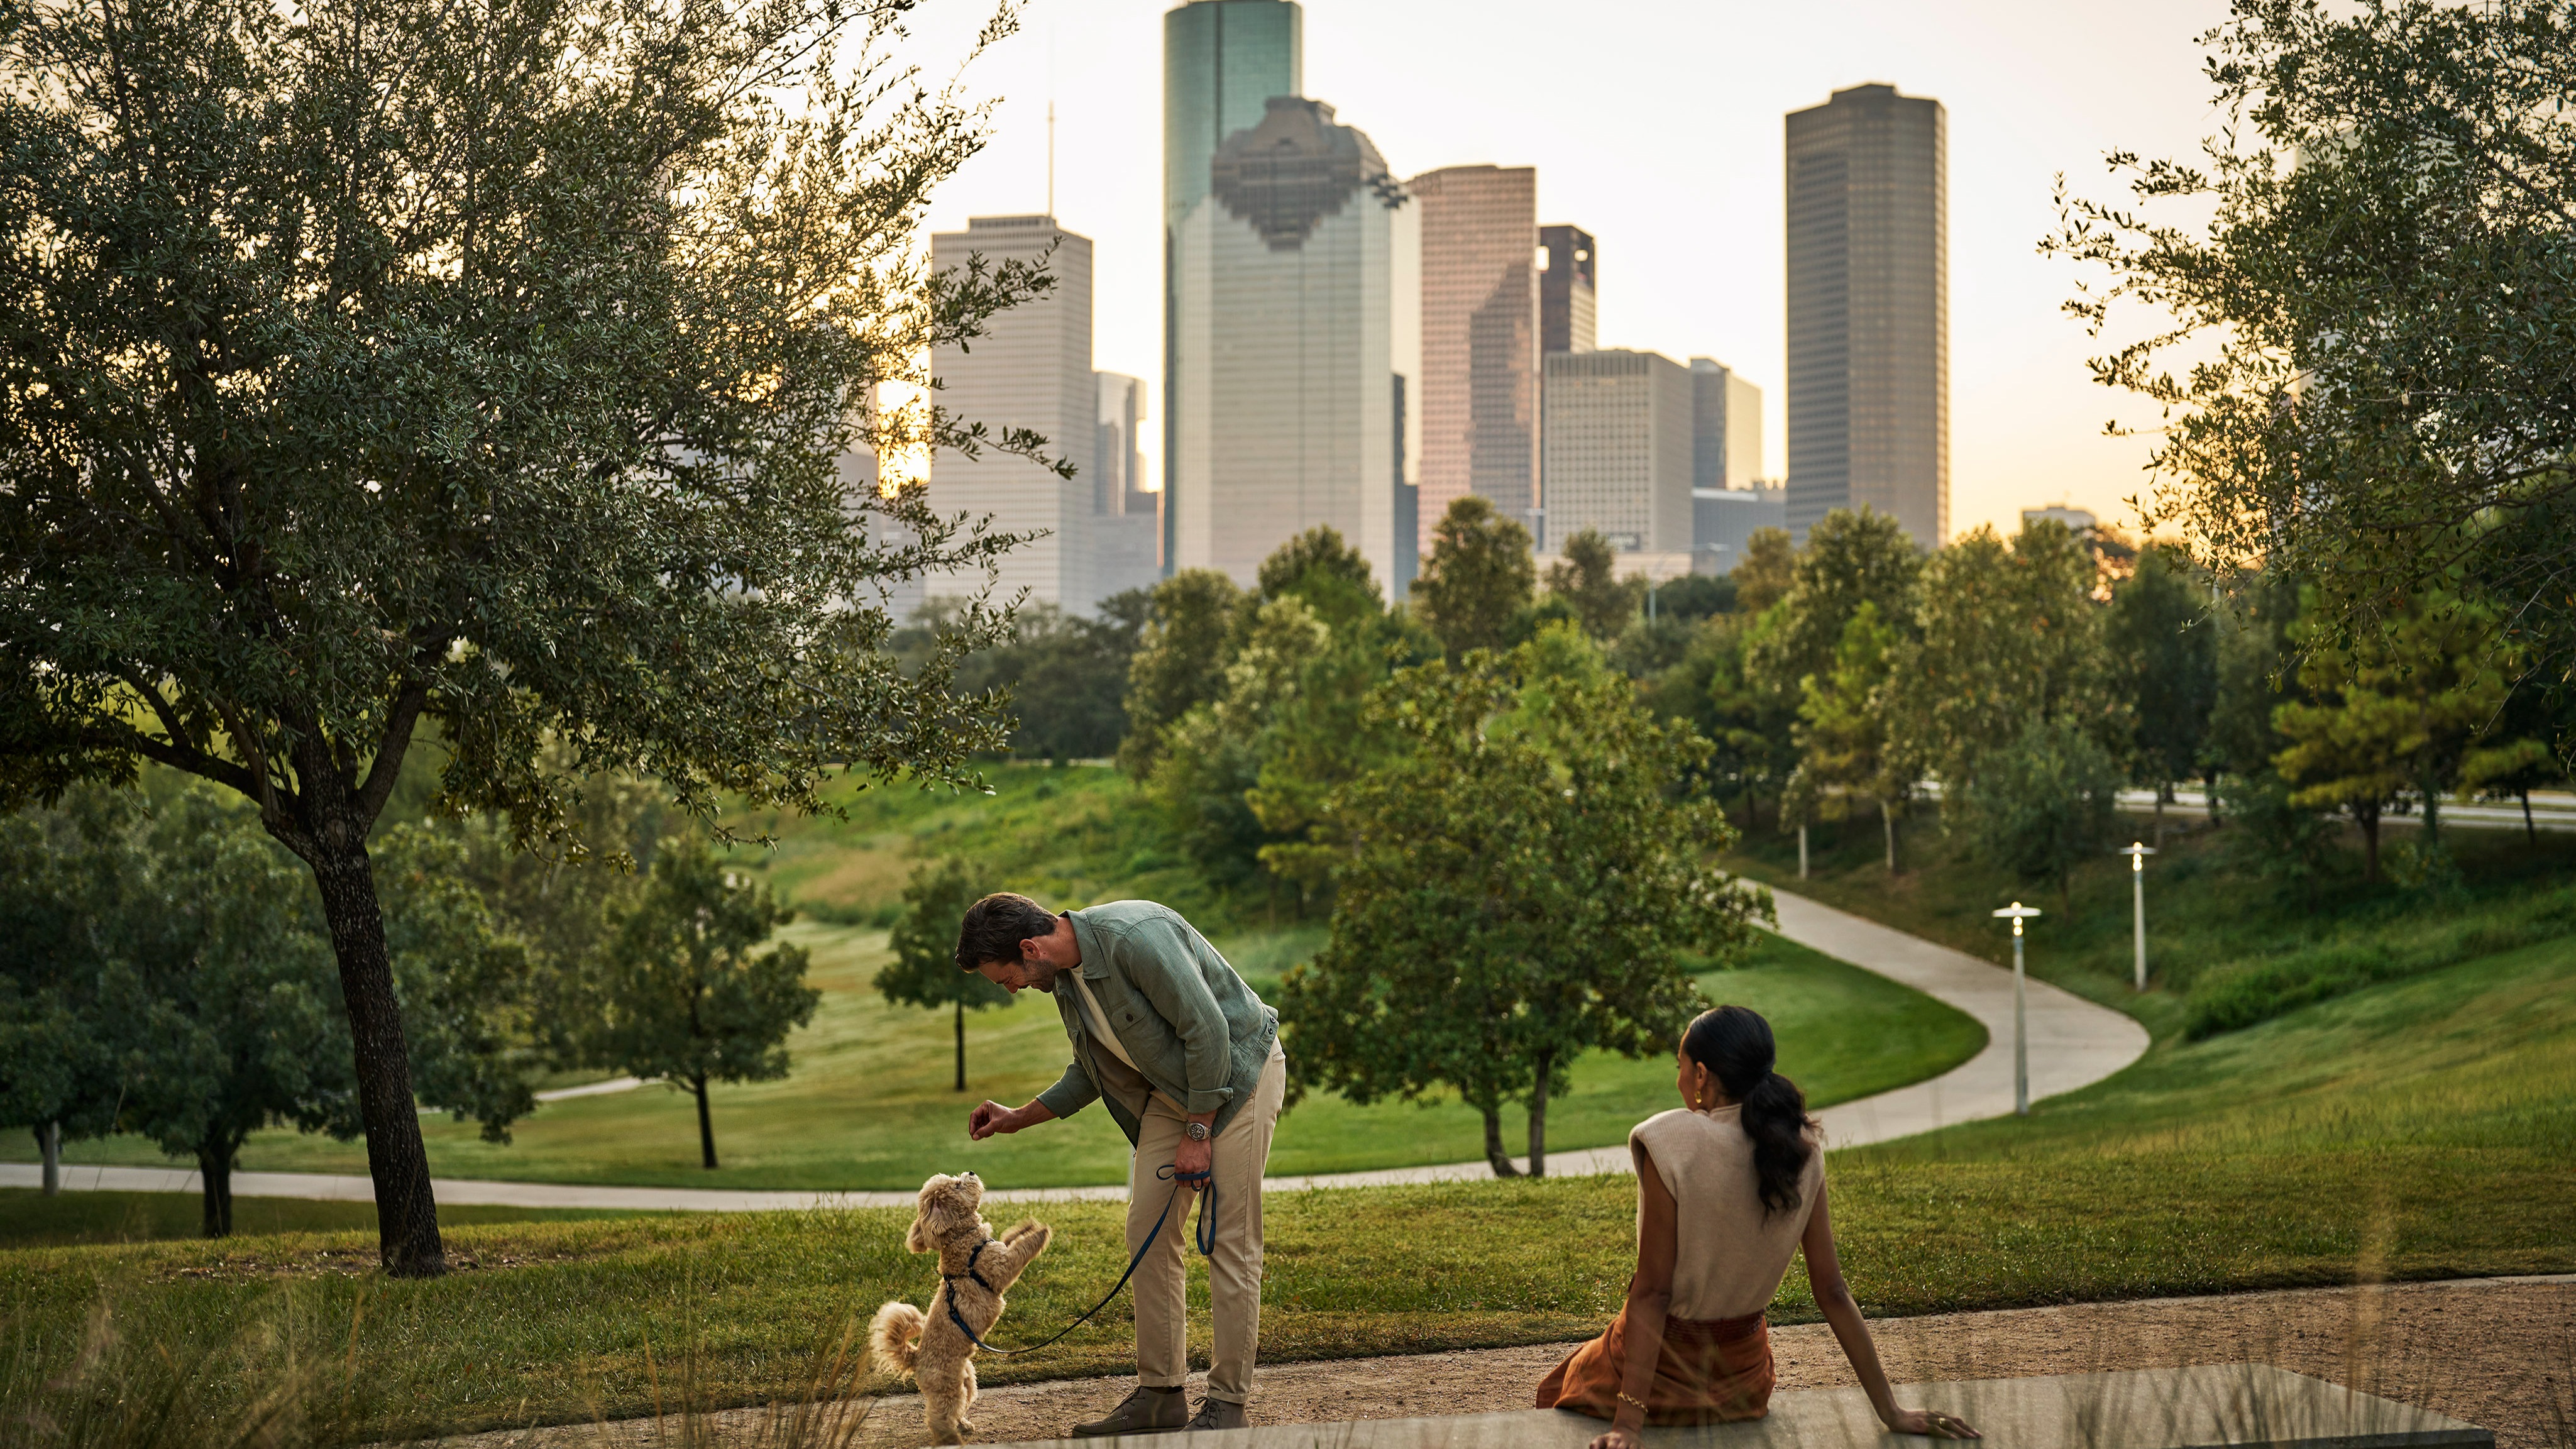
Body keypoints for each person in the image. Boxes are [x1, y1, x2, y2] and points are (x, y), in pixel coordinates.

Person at [1536, 1005, 1978, 1443]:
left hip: (1662, 1380)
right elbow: (1833, 1292)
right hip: (1742, 1387)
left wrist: (1628, 1425)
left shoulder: (1670, 1139)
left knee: (1557, 1387)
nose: (1680, 1078)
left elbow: (1654, 1293)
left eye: (1680, 1066)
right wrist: (1891, 1411)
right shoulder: (1800, 1147)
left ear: (1701, 1075)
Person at [958, 893, 1285, 1436]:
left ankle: (1227, 1405)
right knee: (1147, 1232)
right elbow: (1092, 1069)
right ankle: (1162, 1395)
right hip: (1176, 1092)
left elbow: (1209, 1031)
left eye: (1007, 978)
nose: (1012, 989)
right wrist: (1018, 1117)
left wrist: (1198, 1132)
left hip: (1240, 1075)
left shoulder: (1135, 938)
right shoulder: (1065, 981)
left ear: (1030, 948)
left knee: (1230, 1240)